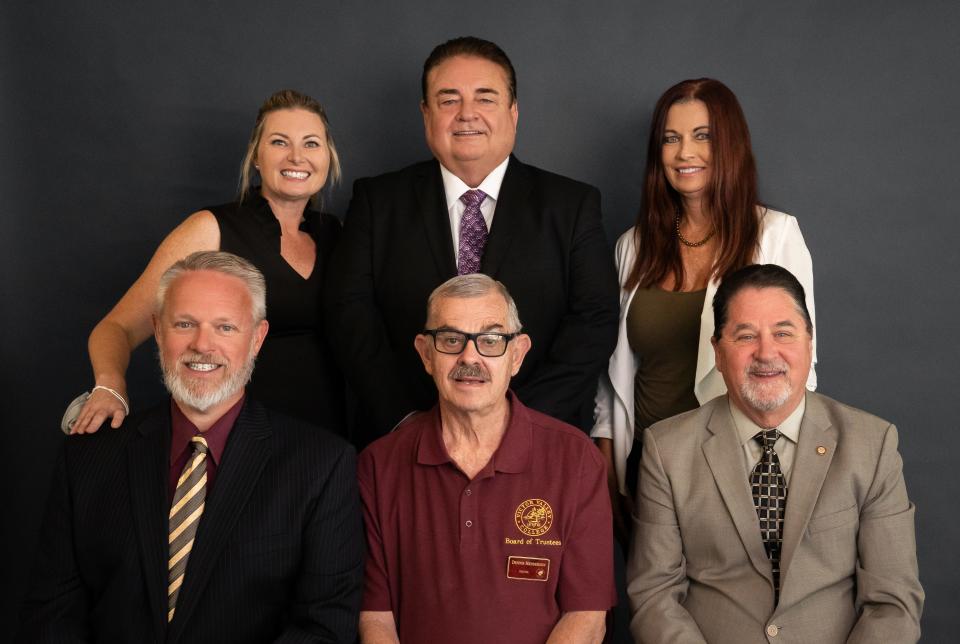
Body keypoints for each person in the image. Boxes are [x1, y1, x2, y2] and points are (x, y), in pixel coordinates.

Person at [19, 251, 363, 643]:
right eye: (185, 324)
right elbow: (51, 616)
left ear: (257, 338)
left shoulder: (321, 466)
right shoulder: (89, 457)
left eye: (225, 328)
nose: (203, 345)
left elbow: (324, 626)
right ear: (158, 331)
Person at [326, 36, 619, 447]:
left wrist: (519, 424)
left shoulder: (570, 206)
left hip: (538, 441)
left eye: (485, 98)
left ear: (513, 112)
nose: (467, 114)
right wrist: (407, 420)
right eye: (448, 100)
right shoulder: (378, 202)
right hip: (406, 443)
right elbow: (350, 317)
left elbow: (594, 322)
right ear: (426, 114)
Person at [626, 264, 923, 644]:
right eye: (746, 336)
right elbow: (654, 596)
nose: (766, 352)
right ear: (717, 352)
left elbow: (894, 602)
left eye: (783, 333)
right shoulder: (667, 450)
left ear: (810, 343)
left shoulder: (872, 444)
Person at [592, 78, 817, 534]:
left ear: (730, 145)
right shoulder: (633, 247)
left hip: (740, 465)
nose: (684, 153)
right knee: (653, 601)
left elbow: (802, 368)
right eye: (671, 139)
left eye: (702, 136)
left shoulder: (774, 235)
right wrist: (607, 464)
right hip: (646, 464)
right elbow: (611, 370)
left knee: (728, 603)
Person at [357, 274, 615, 644]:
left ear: (518, 354)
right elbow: (376, 621)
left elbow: (586, 618)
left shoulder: (576, 461)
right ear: (425, 354)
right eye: (450, 339)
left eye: (491, 341)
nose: (470, 357)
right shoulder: (378, 466)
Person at [70, 89, 344, 434]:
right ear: (256, 156)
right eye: (279, 142)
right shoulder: (211, 229)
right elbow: (116, 329)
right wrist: (110, 387)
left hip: (328, 437)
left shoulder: (337, 233)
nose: (296, 157)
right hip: (233, 438)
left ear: (328, 156)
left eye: (311, 143)